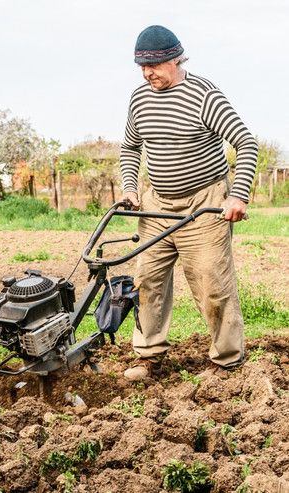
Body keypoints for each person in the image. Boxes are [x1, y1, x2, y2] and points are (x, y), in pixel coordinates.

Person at [120, 25, 258, 381]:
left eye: (156, 65)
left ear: (176, 58)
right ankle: (148, 356)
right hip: (157, 203)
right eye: (142, 67)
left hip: (205, 202)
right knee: (146, 281)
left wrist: (238, 194)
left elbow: (246, 143)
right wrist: (131, 187)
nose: (148, 73)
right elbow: (131, 146)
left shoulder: (204, 95)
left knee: (213, 284)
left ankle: (226, 362)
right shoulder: (139, 98)